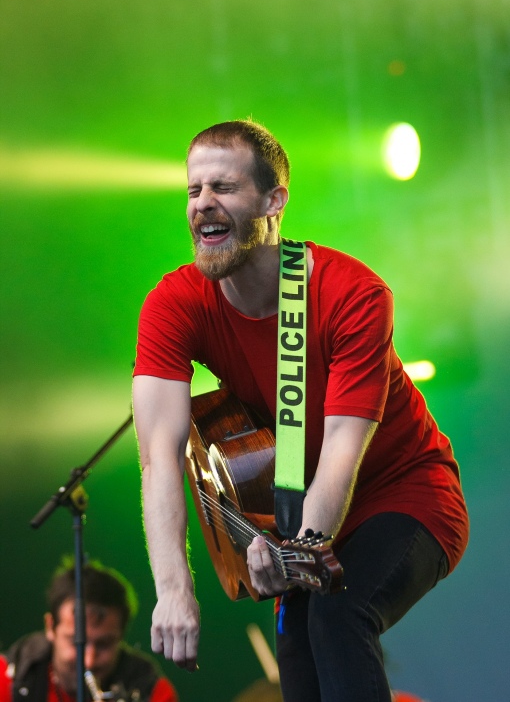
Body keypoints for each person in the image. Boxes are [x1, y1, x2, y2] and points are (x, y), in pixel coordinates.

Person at [132, 120, 469, 702]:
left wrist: (300, 550)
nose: (203, 204)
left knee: (336, 619)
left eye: (223, 188)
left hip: (404, 494)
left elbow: (342, 447)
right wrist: (173, 589)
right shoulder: (174, 303)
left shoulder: (351, 294)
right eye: (193, 190)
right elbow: (159, 459)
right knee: (298, 661)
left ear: (273, 200)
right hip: (297, 510)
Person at [0, 559, 178, 702]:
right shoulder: (7, 676)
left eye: (104, 644)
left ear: (122, 636)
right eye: (76, 642)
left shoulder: (153, 691)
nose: (89, 661)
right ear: (50, 627)